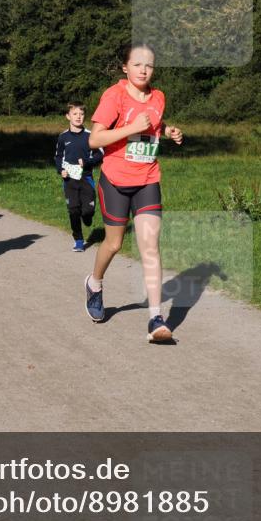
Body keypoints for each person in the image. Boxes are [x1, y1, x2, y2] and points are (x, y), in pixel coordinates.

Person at [85, 43, 184, 343]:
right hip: (115, 180)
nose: (144, 70)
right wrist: (129, 129)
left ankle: (156, 318)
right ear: (125, 67)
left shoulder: (158, 97)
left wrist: (167, 131)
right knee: (113, 245)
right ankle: (95, 283)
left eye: (149, 65)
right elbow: (95, 139)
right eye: (137, 64)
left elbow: (154, 122)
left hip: (147, 179)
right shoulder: (113, 96)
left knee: (150, 247)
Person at [54, 102, 103, 251]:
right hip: (69, 180)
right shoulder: (63, 137)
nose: (78, 117)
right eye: (75, 114)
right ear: (68, 116)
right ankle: (79, 240)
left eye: (81, 114)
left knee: (87, 211)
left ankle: (87, 216)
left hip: (86, 179)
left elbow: (100, 154)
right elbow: (58, 156)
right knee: (73, 210)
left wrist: (87, 162)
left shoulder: (90, 135)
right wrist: (60, 169)